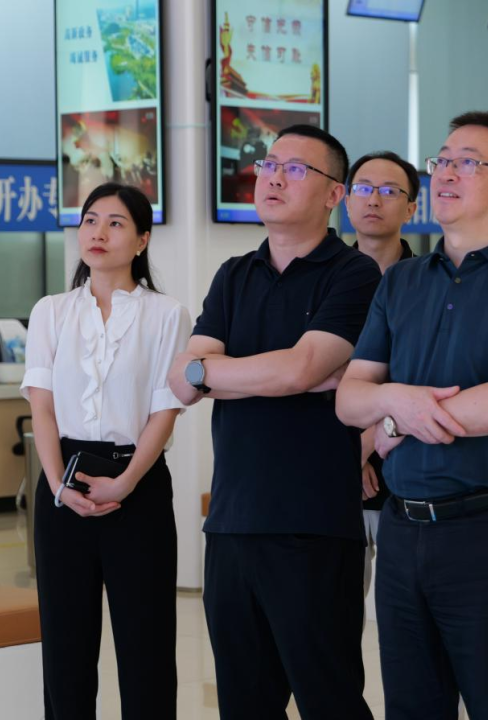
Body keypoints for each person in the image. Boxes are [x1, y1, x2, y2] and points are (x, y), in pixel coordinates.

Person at [336, 111, 488, 720]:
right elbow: (350, 398)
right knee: (411, 706)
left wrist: (392, 419)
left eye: (467, 162)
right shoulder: (402, 280)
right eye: (441, 161)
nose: (444, 174)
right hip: (401, 530)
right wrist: (394, 405)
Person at [168, 125, 379, 719]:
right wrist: (280, 374)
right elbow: (181, 382)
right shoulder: (234, 274)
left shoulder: (354, 274)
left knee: (329, 699)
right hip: (231, 524)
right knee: (243, 704)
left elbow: (298, 368)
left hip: (313, 525)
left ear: (334, 194)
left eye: (295, 169)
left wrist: (218, 373)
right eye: (269, 165)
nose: (273, 178)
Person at [22, 182, 190, 719]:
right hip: (64, 480)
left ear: (141, 240)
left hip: (136, 482)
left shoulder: (167, 314)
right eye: (90, 220)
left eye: (116, 223)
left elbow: (164, 410)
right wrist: (57, 486)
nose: (98, 232)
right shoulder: (51, 311)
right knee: (65, 645)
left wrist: (126, 481)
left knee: (146, 644)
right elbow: (42, 407)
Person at [343, 150, 419, 603]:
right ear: (346, 200)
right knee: (333, 618)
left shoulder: (429, 283)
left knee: (404, 618)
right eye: (364, 189)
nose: (374, 200)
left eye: (389, 191)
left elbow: (428, 376)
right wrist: (348, 454)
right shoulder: (324, 281)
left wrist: (368, 442)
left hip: (407, 471)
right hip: (333, 473)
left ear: (411, 209)